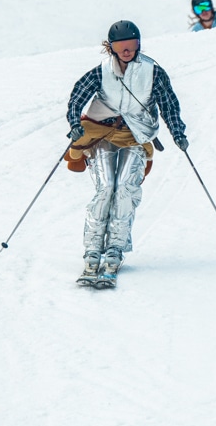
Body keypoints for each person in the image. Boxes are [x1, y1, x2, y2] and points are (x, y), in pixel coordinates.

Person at [65, 20, 187, 283]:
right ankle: (92, 250)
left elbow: (168, 104)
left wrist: (178, 132)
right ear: (111, 47)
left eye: (132, 45)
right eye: (120, 45)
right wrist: (75, 124)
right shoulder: (101, 71)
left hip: (135, 135)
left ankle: (114, 249)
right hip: (102, 132)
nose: (127, 50)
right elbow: (77, 96)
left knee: (124, 188)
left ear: (138, 44)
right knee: (106, 186)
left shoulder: (153, 71)